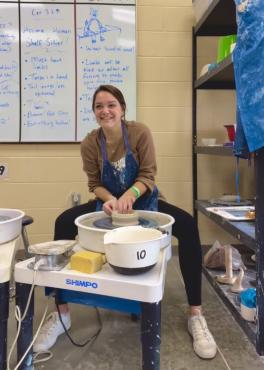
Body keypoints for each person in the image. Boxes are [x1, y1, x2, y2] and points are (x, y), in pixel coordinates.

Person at [33, 85, 217, 359]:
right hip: (108, 206)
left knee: (188, 227)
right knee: (63, 222)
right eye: (98, 106)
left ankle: (195, 314)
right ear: (94, 112)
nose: (105, 110)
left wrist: (129, 196)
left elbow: (148, 174)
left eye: (111, 105)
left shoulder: (139, 133)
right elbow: (94, 183)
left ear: (122, 109)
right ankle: (62, 314)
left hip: (143, 201)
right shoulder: (90, 143)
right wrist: (109, 200)